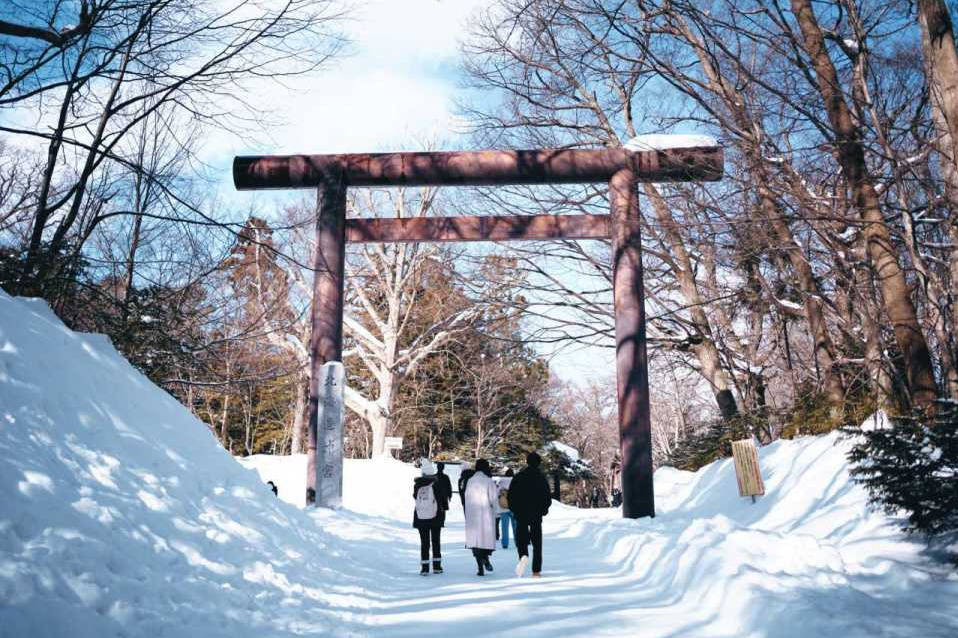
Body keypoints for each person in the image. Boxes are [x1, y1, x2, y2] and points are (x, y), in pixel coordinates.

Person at [507, 451, 551, 578]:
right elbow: (547, 496)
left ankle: (523, 556)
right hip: (536, 514)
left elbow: (511, 496)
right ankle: (536, 570)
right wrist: (544, 510)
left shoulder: (519, 476)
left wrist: (515, 509)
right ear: (539, 463)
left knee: (522, 539)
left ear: (527, 462)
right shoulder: (541, 478)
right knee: (537, 543)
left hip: (521, 513)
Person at [413, 459, 448, 575]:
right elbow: (443, 500)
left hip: (421, 517)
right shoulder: (436, 484)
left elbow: (415, 498)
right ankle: (437, 566)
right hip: (435, 517)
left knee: (424, 543)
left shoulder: (417, 485)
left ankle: (425, 567)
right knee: (435, 541)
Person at [464, 458, 498, 576]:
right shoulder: (488, 481)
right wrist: (496, 511)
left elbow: (466, 497)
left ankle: (480, 567)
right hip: (486, 514)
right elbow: (494, 499)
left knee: (476, 542)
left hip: (472, 515)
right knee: (485, 541)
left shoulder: (470, 481)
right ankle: (486, 559)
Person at [496, 469, 516, 549]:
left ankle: (505, 544)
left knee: (504, 527)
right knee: (516, 527)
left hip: (503, 507)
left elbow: (497, 494)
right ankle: (518, 542)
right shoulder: (516, 482)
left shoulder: (501, 483)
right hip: (514, 507)